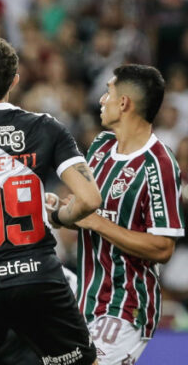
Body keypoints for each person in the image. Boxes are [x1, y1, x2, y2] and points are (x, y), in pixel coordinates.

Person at [0, 35, 100, 365]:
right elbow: (90, 198)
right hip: (37, 274)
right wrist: (60, 217)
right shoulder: (45, 127)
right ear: (15, 81)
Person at [66, 65, 183, 365]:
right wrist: (59, 211)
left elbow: (163, 247)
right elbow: (82, 214)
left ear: (124, 103)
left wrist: (97, 222)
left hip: (126, 306)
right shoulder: (101, 146)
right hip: (87, 296)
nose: (101, 99)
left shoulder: (159, 165)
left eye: (108, 92)